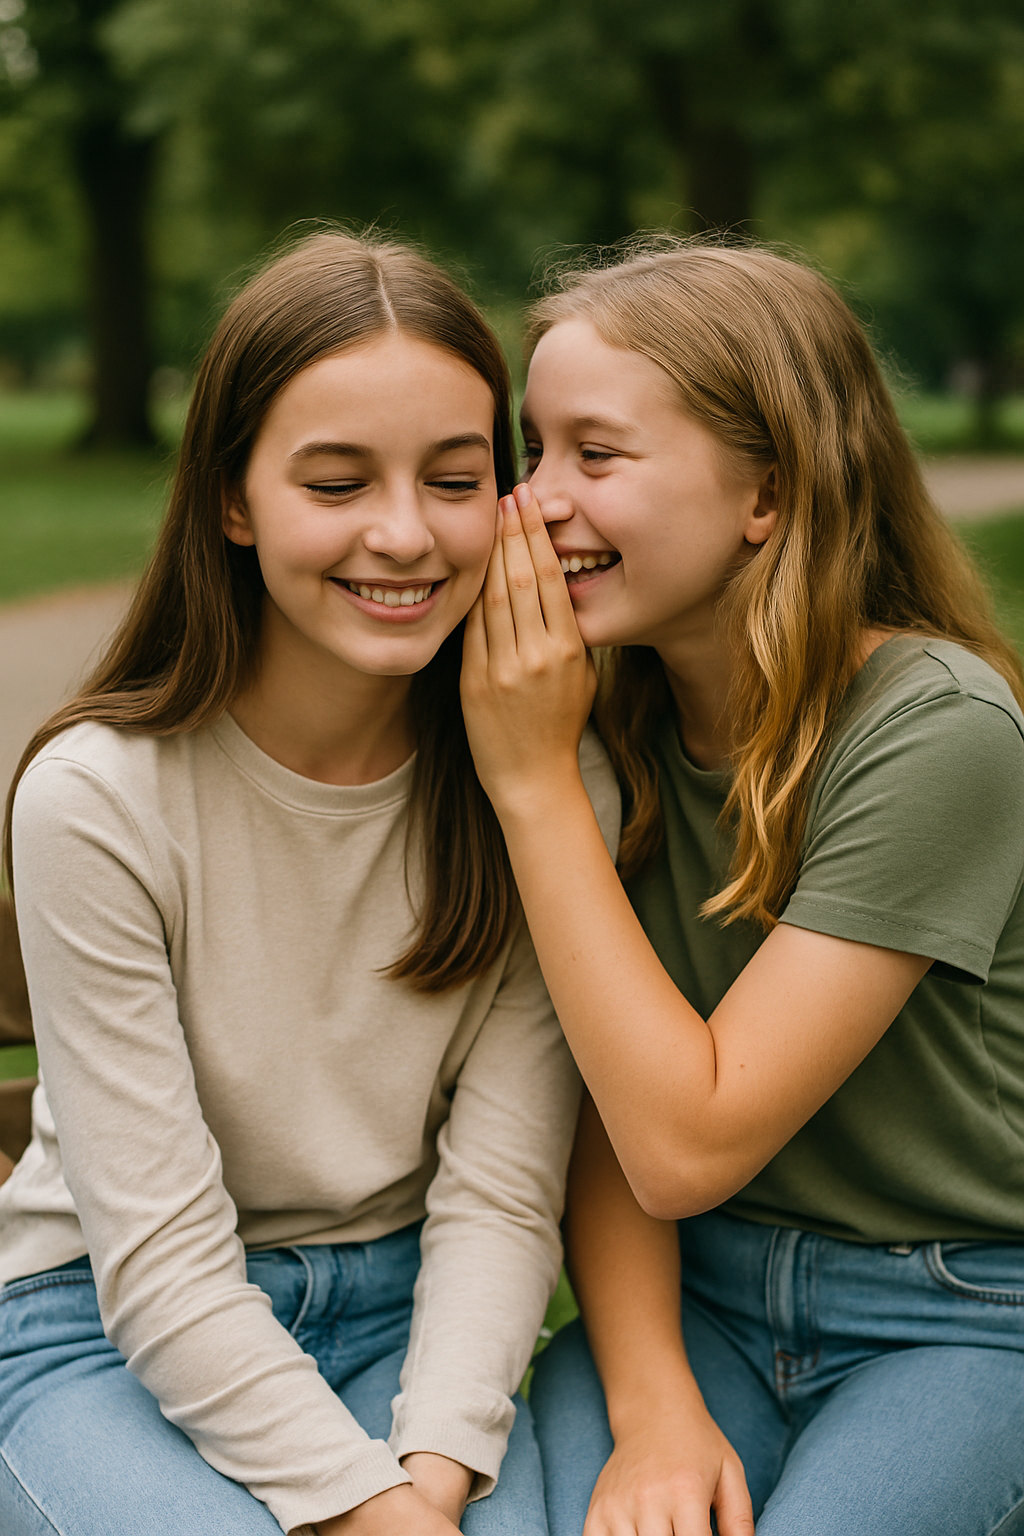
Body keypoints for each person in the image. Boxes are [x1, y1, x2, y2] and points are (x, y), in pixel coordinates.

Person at [0, 230, 619, 1536]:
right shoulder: (101, 798)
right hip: (100, 1331)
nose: (403, 535)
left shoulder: (546, 787)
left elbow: (503, 1195)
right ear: (234, 500)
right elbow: (161, 1265)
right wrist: (375, 1521)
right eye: (336, 482)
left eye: (456, 480)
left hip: (418, 1322)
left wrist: (433, 1481)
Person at [459, 238, 1024, 1536]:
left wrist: (537, 789)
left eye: (594, 457)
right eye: (530, 452)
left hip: (956, 1312)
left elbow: (684, 1139)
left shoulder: (934, 727)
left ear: (765, 493)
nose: (532, 503)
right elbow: (607, 1098)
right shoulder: (603, 706)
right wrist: (653, 1407)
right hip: (693, 1300)